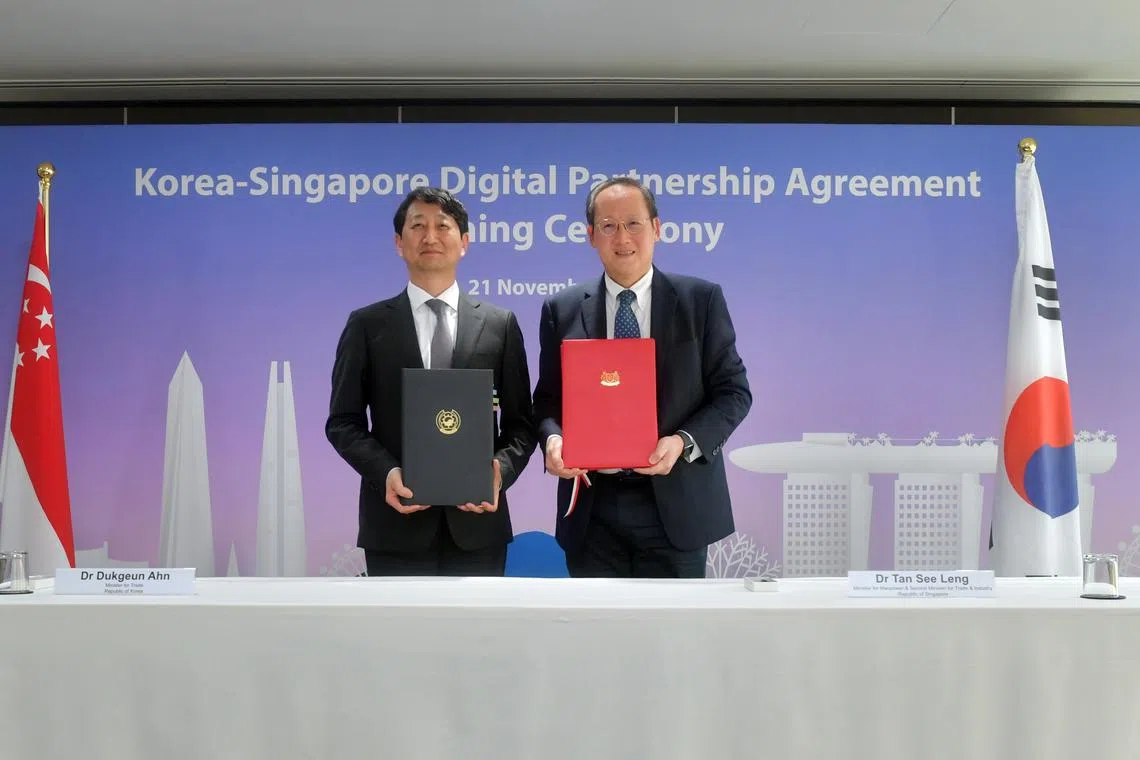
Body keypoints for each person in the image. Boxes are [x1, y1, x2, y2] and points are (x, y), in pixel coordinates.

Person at [532, 177, 752, 578]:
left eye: (633, 223)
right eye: (608, 226)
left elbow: (733, 393)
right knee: (598, 637)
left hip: (676, 503)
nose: (623, 237)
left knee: (674, 638)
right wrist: (553, 439)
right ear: (591, 236)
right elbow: (546, 401)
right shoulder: (561, 310)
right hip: (593, 509)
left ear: (657, 228)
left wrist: (684, 442)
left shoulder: (700, 301)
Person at [326, 187, 537, 577]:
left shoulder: (499, 325)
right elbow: (343, 422)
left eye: (443, 225)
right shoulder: (367, 326)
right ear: (398, 243)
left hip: (478, 529)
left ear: (465, 242)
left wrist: (498, 472)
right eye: (417, 226)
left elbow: (522, 426)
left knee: (477, 639)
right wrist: (387, 473)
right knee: (398, 639)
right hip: (394, 526)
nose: (430, 236)